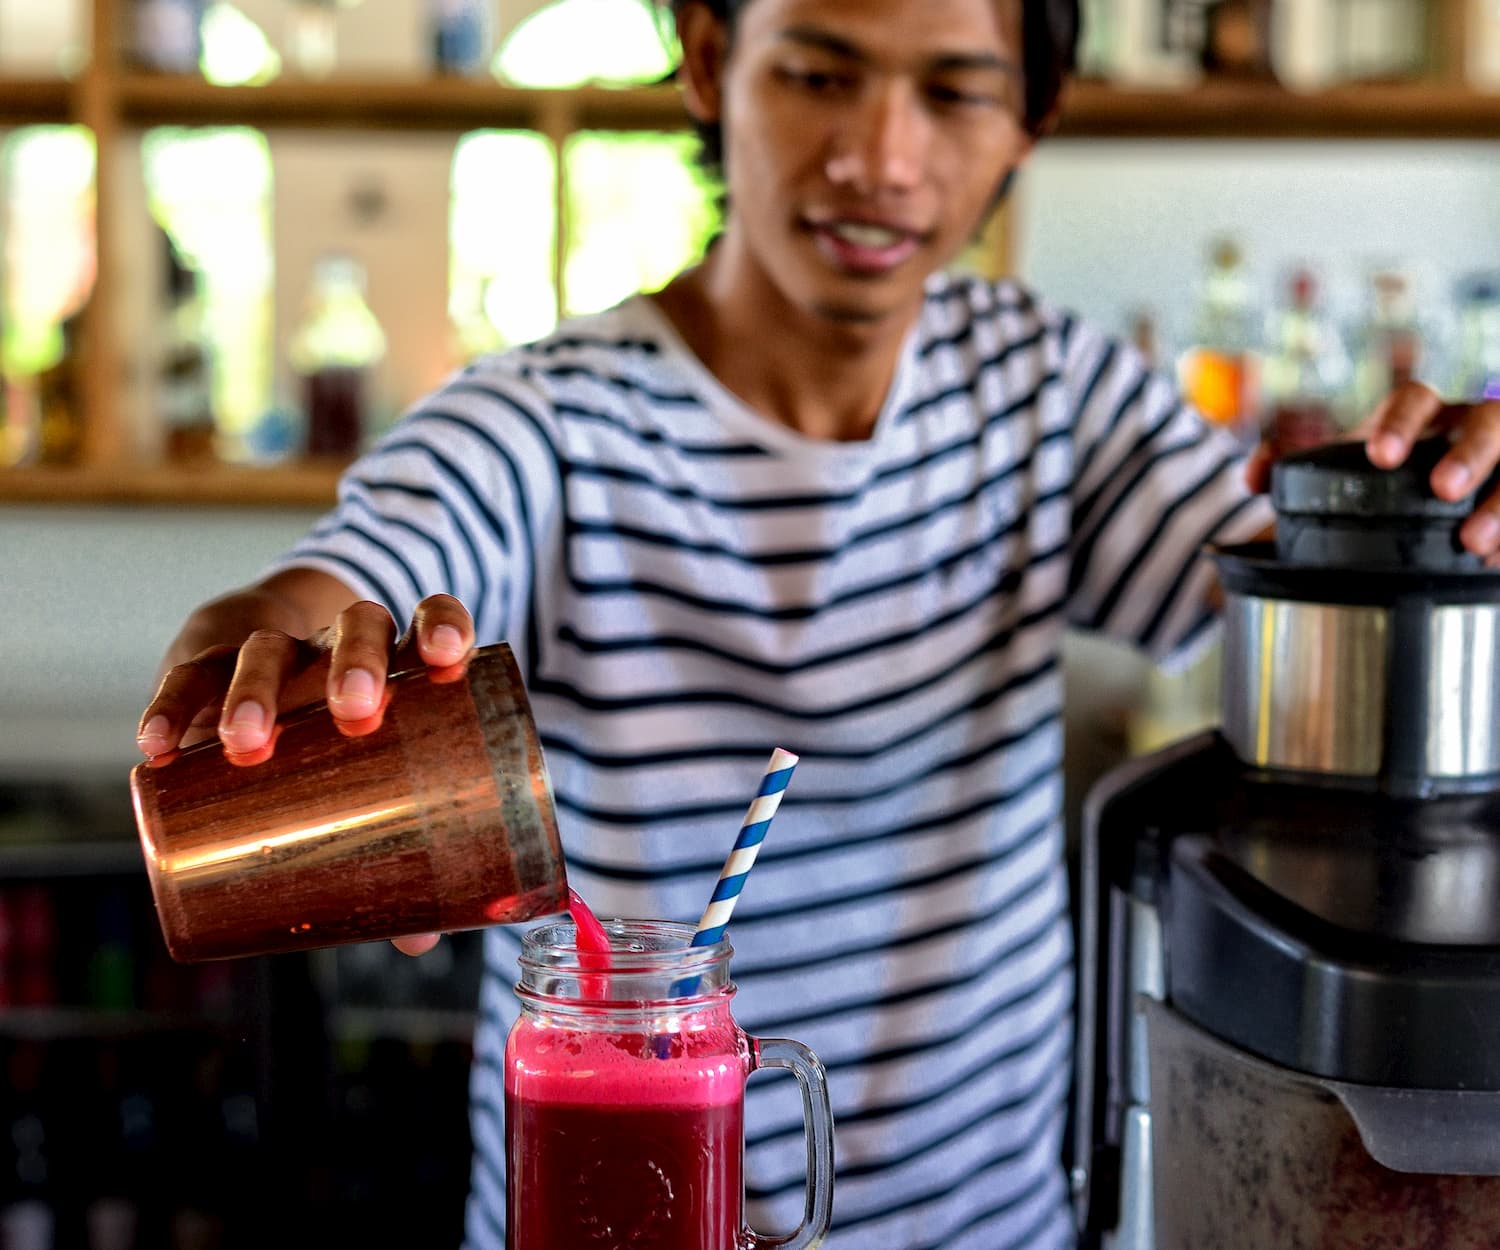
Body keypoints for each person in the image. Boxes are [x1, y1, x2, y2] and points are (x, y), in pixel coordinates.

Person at [135, 0, 1500, 1246]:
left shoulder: (1050, 393)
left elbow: (1315, 587)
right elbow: (362, 570)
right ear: (714, 63)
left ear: (1031, 120)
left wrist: (1443, 515)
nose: (879, 157)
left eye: (956, 92)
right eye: (819, 72)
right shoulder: (547, 423)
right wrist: (281, 650)